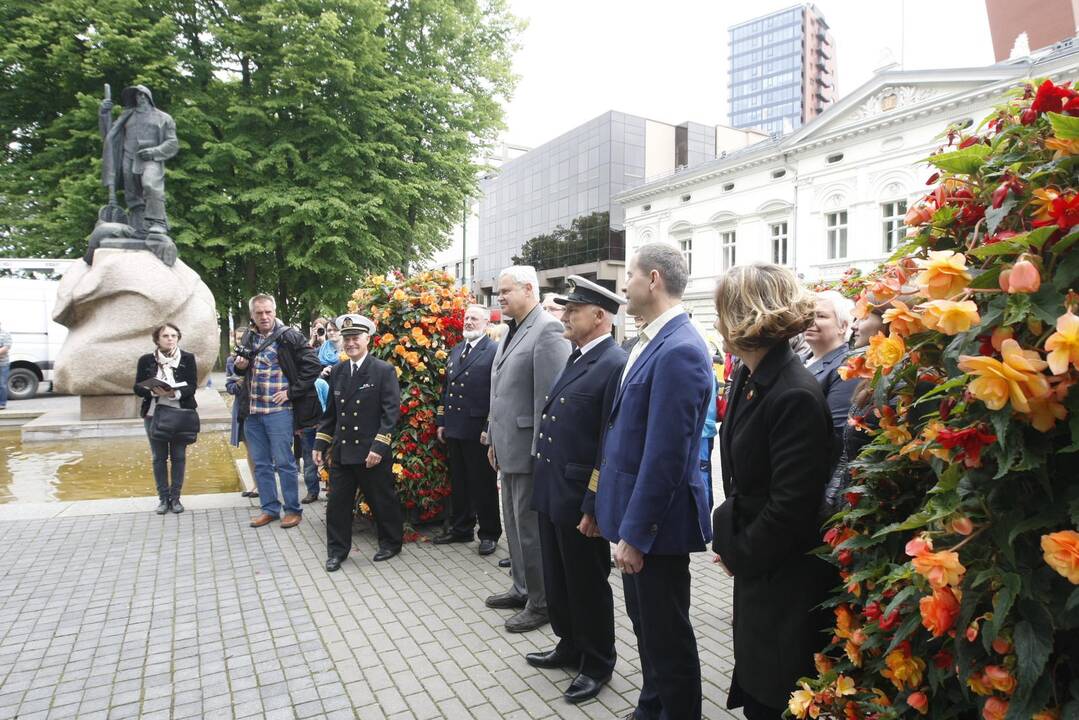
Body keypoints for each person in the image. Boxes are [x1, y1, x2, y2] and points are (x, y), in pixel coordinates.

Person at [590, 243, 713, 720]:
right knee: (647, 628)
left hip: (655, 530)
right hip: (635, 521)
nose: (625, 285)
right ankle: (652, 706)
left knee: (667, 635)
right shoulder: (654, 340)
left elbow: (666, 457)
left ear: (654, 279)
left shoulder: (680, 348)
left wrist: (636, 535)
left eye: (631, 276)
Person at [711, 263, 835, 720]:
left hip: (783, 580)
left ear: (744, 315)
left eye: (723, 309)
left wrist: (739, 550)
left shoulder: (793, 393)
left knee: (774, 696)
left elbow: (792, 508)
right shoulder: (751, 375)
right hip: (760, 569)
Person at [526, 276, 627, 704]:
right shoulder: (579, 356)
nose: (565, 315)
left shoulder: (613, 362)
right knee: (559, 577)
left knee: (587, 583)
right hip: (554, 490)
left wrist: (594, 503)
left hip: (579, 497)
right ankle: (569, 644)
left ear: (599, 316)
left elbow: (609, 444)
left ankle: (597, 661)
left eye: (574, 310)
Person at [484, 265, 571, 633]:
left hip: (530, 451)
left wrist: (539, 452)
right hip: (506, 447)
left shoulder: (547, 329)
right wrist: (491, 436)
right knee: (514, 526)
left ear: (529, 290)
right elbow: (501, 389)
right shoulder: (511, 330)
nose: (500, 298)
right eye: (499, 292)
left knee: (531, 529)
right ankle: (522, 587)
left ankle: (541, 602)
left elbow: (549, 401)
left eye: (506, 292)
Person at [314, 314, 403, 569]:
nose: (351, 343)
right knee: (337, 505)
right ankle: (337, 551)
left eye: (356, 338)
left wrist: (379, 446)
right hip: (343, 451)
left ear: (367, 339)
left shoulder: (382, 370)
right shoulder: (339, 371)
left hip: (370, 452)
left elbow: (390, 413)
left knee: (382, 500)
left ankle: (391, 543)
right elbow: (330, 413)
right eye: (347, 339)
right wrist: (320, 444)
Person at [233, 293, 322, 529]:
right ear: (252, 315)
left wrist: (292, 392)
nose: (264, 316)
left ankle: (292, 510)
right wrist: (240, 368)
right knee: (261, 464)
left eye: (268, 312)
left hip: (279, 411)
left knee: (285, 463)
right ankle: (269, 508)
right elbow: (241, 369)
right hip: (252, 410)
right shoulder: (249, 337)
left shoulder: (289, 336)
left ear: (274, 311)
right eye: (259, 313)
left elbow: (313, 365)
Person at [434, 304, 501, 555]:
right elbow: (447, 390)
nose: (468, 322)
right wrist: (442, 421)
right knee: (459, 482)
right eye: (466, 318)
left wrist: (489, 427)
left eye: (474, 318)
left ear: (486, 323)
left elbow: (497, 394)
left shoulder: (493, 351)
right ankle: (461, 529)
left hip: (478, 429)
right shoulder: (456, 350)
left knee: (483, 483)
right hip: (455, 427)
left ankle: (489, 533)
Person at [820, 302, 891, 519]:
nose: (854, 326)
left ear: (889, 321)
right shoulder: (874, 376)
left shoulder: (898, 382)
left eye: (863, 317)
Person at [134, 323, 198, 514]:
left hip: (181, 415)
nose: (170, 339)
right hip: (154, 415)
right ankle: (163, 499)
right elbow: (137, 387)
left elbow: (192, 386)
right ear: (157, 339)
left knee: (178, 456)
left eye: (173, 335)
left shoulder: (188, 358)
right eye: (165, 336)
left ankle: (176, 498)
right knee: (158, 457)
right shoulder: (146, 360)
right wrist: (153, 391)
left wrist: (174, 394)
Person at [99, 85, 178, 235]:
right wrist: (104, 113)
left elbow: (172, 143)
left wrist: (155, 151)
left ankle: (158, 222)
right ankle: (138, 227)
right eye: (137, 95)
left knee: (150, 185)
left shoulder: (163, 118)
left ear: (149, 97)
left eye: (143, 95)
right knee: (132, 195)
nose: (140, 97)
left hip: (150, 158)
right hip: (129, 157)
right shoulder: (127, 116)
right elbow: (110, 136)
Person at [804, 290, 858, 469]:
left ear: (843, 326)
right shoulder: (800, 358)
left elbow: (835, 434)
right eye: (809, 315)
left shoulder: (846, 368)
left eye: (821, 316)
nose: (811, 321)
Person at [226, 326, 258, 499]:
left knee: (260, 449)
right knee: (251, 449)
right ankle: (256, 484)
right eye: (237, 338)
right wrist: (239, 383)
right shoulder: (231, 360)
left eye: (243, 338)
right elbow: (229, 387)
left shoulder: (258, 356)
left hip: (261, 406)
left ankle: (262, 484)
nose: (240, 341)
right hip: (242, 408)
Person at [0, 320, 10, 410]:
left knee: (2, 384)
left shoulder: (5, 334)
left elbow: (6, 348)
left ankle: (2, 404)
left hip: (3, 364)